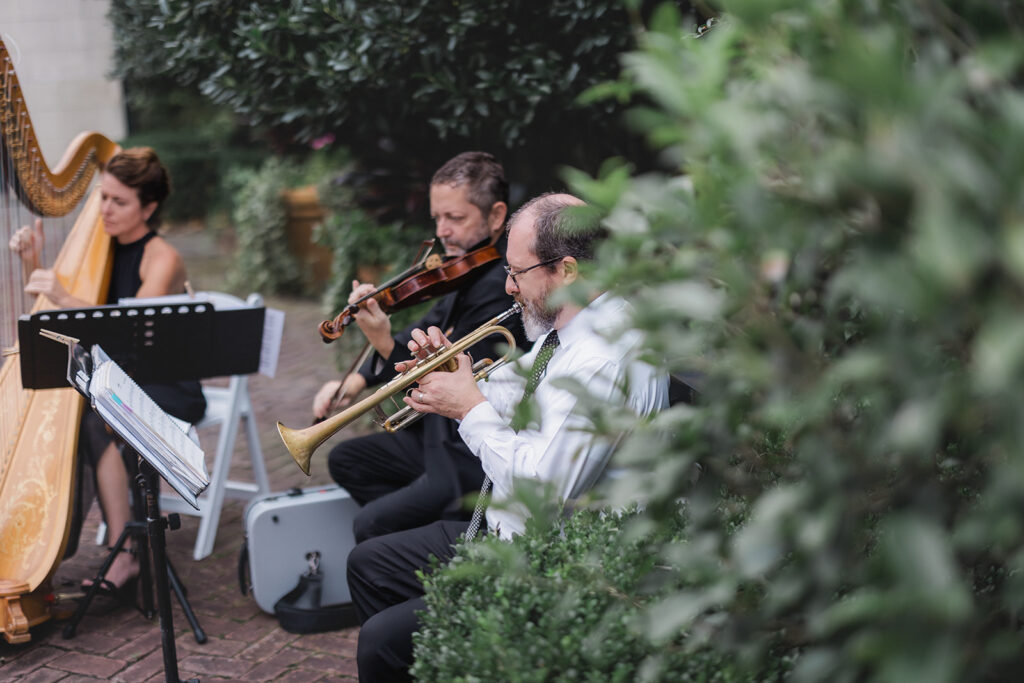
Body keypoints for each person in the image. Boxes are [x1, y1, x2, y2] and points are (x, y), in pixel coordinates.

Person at [346, 192, 669, 681]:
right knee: (370, 563)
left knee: (381, 643)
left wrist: (468, 407)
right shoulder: (570, 325)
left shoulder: (604, 357)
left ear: (567, 270)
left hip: (558, 567)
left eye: (516, 273)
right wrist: (453, 374)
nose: (508, 286)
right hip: (510, 534)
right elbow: (520, 387)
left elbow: (545, 488)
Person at [9, 147, 205, 596]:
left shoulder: (162, 258)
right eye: (102, 198)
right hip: (119, 379)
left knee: (99, 418)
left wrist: (61, 295)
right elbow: (65, 317)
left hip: (164, 383)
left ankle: (129, 553)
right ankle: (93, 541)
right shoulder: (100, 249)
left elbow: (127, 329)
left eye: (119, 202)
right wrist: (34, 264)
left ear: (149, 208)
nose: (105, 210)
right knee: (87, 414)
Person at [311, 151, 527, 542]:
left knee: (371, 525)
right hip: (433, 441)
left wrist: (379, 339)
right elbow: (418, 331)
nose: (442, 231)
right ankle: (422, 537)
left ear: (496, 217)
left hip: (464, 455)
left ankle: (431, 542)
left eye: (455, 218)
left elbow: (449, 382)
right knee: (348, 460)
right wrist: (355, 383)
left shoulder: (502, 287)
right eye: (437, 218)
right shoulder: (466, 277)